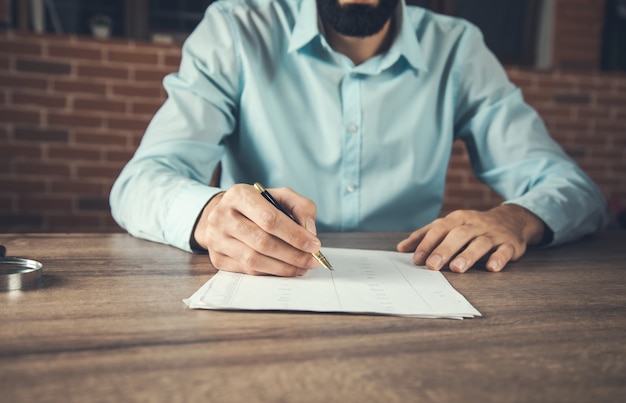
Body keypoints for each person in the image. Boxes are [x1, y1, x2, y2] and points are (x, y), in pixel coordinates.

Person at [110, 0, 608, 277]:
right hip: (263, 300)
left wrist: (517, 218)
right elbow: (139, 182)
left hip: (418, 298)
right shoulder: (236, 31)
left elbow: (576, 190)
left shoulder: (458, 49)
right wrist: (206, 214)